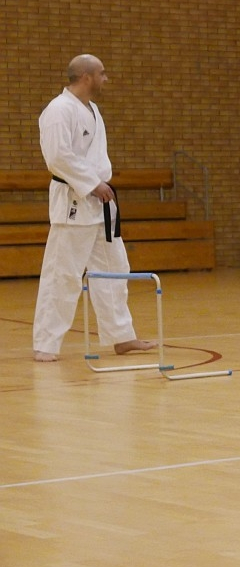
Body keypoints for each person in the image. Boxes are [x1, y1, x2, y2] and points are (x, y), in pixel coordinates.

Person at [32, 54, 156, 362]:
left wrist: (100, 186)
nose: (106, 78)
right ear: (86, 77)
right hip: (75, 201)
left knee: (115, 270)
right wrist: (91, 183)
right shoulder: (58, 110)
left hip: (100, 204)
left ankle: (121, 336)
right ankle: (46, 344)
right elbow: (58, 157)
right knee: (63, 275)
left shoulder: (93, 110)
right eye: (102, 73)